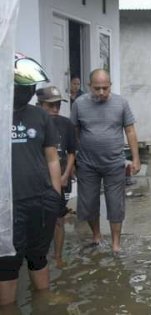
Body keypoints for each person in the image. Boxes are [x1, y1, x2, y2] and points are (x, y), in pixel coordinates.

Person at [0, 54, 63, 306]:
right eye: (21, 86)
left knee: (39, 257)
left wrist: (56, 195)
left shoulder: (40, 116)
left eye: (29, 87)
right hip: (7, 206)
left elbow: (51, 158)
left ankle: (44, 304)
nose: (26, 91)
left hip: (41, 200)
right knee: (7, 264)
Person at [70, 69, 140, 253]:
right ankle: (96, 235)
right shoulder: (79, 104)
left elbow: (130, 131)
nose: (101, 92)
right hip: (87, 164)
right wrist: (74, 158)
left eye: (105, 88)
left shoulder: (121, 103)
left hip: (114, 163)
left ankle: (116, 243)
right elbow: (74, 132)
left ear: (110, 86)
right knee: (88, 202)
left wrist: (135, 158)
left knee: (116, 203)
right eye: (96, 88)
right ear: (89, 86)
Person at [36, 86, 77, 267]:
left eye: (58, 105)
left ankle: (58, 256)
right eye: (50, 105)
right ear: (39, 105)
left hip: (61, 179)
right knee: (38, 220)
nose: (55, 109)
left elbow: (71, 151)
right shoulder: (33, 123)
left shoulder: (66, 124)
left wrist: (66, 174)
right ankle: (38, 258)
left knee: (59, 218)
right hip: (38, 181)